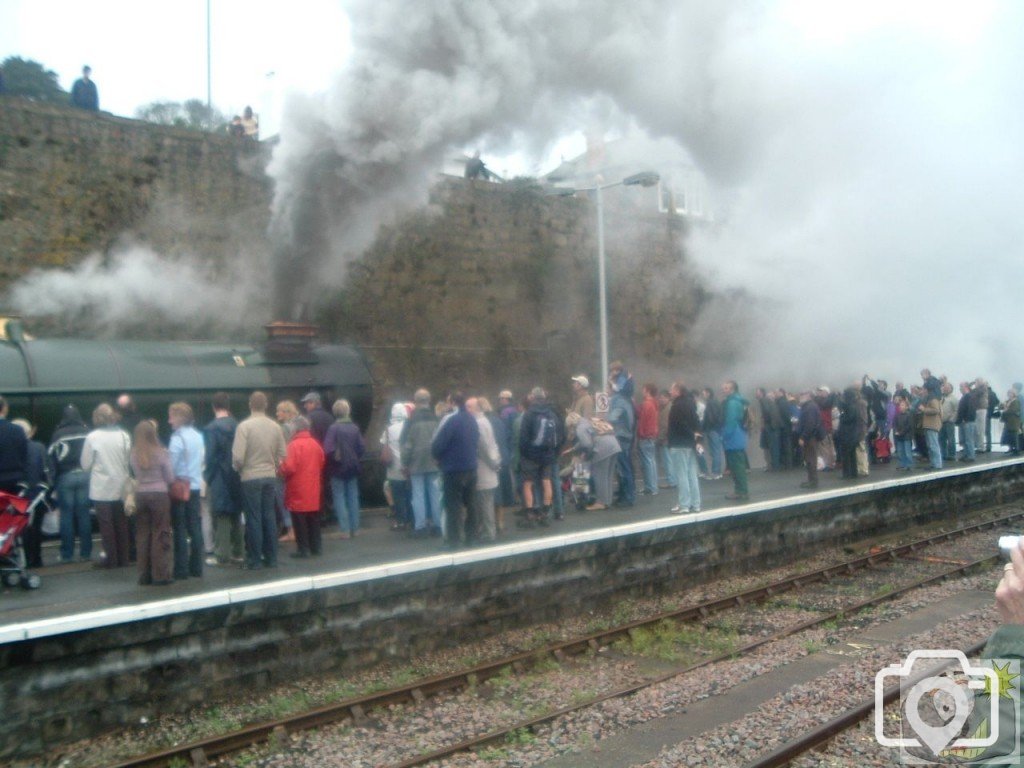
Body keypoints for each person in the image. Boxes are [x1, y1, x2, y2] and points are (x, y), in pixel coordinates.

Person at [233, 391, 287, 570]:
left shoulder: (244, 427)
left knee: (254, 518)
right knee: (269, 516)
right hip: (270, 476)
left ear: (250, 404)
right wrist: (273, 467)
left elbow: (238, 457)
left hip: (250, 477)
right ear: (266, 405)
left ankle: (255, 560)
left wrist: (240, 469)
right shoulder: (275, 426)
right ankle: (272, 558)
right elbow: (283, 454)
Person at [81, 403, 131, 568]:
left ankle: (111, 559)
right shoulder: (124, 435)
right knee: (121, 523)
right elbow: (128, 460)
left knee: (106, 524)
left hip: (101, 488)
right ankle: (124, 558)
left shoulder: (93, 437)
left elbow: (85, 464)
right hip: (121, 486)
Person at [129, 420, 174, 586]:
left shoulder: (133, 453)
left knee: (143, 535)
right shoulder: (160, 452)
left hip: (141, 495)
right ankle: (160, 575)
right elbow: (170, 477)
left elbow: (135, 475)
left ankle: (144, 575)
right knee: (160, 534)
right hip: (159, 495)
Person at [432, 391, 479, 547]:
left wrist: (437, 457)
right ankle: (471, 538)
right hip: (471, 467)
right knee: (471, 504)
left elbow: (438, 444)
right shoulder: (472, 419)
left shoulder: (452, 420)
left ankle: (454, 540)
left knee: (452, 505)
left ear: (452, 403)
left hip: (453, 468)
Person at [204, 392, 244, 566]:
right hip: (237, 474)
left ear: (214, 407)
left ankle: (222, 554)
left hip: (220, 476)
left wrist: (208, 476)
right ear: (228, 406)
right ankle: (239, 552)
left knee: (221, 514)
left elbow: (211, 457)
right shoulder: (239, 426)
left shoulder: (211, 428)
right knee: (236, 512)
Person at [48, 404, 92, 563]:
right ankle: (86, 553)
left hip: (65, 477)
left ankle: (67, 554)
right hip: (85, 475)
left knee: (66, 516)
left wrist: (52, 482)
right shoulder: (87, 432)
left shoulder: (57, 434)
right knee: (84, 514)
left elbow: (51, 459)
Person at [278, 415, 326, 557]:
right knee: (313, 520)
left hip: (297, 488)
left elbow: (289, 467)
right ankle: (316, 547)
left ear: (295, 429)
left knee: (299, 521)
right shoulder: (315, 444)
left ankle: (303, 549)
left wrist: (280, 468)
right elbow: (321, 462)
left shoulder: (293, 445)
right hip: (313, 487)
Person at [168, 402, 205, 580]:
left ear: (179, 418)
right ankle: (197, 567)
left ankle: (181, 569)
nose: (169, 420)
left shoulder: (177, 438)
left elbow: (171, 466)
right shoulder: (198, 436)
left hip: (180, 488)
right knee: (195, 527)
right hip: (196, 486)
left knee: (180, 529)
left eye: (171, 416)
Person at [517, 387, 562, 526]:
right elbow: (560, 435)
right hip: (548, 455)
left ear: (533, 398)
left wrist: (525, 453)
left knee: (528, 483)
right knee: (546, 481)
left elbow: (523, 438)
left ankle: (530, 515)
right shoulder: (551, 413)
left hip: (531, 456)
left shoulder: (529, 414)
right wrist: (554, 452)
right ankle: (545, 514)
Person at [323, 399, 365, 538]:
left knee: (339, 497)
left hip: (337, 467)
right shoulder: (354, 427)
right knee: (353, 496)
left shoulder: (333, 428)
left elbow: (328, 449)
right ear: (348, 411)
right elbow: (361, 448)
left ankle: (345, 529)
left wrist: (334, 459)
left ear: (335, 412)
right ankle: (356, 528)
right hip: (353, 466)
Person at [566, 411, 621, 510]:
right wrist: (574, 448)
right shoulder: (587, 421)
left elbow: (587, 444)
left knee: (600, 476)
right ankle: (607, 500)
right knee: (608, 475)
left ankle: (601, 502)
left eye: (569, 427)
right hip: (614, 445)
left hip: (602, 448)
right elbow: (587, 438)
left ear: (571, 424)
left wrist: (586, 455)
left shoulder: (579, 428)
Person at [12, 419, 47, 568]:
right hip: (38, 494)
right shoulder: (39, 447)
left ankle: (25, 559)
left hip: (20, 495)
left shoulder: (13, 450)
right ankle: (37, 559)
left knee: (21, 528)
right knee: (36, 528)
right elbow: (47, 470)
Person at [467, 397, 500, 542]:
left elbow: (483, 447)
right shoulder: (485, 420)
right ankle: (487, 531)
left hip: (484, 468)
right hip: (491, 466)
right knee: (486, 502)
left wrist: (492, 463)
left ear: (476, 408)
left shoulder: (478, 423)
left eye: (469, 407)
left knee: (484, 503)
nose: (466, 410)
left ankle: (488, 533)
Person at [666, 381, 701, 514]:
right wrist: (697, 437)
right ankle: (696, 504)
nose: (670, 391)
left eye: (672, 389)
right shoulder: (691, 403)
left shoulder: (676, 406)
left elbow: (679, 425)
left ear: (678, 391)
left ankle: (684, 505)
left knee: (681, 475)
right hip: (690, 445)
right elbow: (696, 421)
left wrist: (690, 435)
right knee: (692, 474)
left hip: (679, 443)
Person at [380, 403, 411, 531]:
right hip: (408, 467)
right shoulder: (409, 427)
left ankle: (401, 521)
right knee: (410, 494)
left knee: (398, 496)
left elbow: (382, 443)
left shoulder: (389, 429)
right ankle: (412, 519)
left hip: (394, 468)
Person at [721, 380, 749, 501]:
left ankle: (741, 491)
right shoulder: (739, 401)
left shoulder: (732, 403)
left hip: (733, 437)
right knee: (738, 464)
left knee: (736, 466)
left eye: (726, 388)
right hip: (739, 435)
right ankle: (740, 490)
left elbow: (731, 421)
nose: (724, 390)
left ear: (732, 389)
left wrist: (724, 436)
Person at [795, 391, 823, 489]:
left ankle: (813, 481)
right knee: (809, 458)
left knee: (811, 459)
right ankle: (811, 480)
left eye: (802, 394)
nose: (800, 396)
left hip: (810, 437)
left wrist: (803, 437)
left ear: (808, 396)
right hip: (810, 436)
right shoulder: (809, 406)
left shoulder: (810, 407)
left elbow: (810, 424)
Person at [0, 395, 28, 494]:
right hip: (15, 479)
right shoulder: (17, 430)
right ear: (5, 409)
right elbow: (24, 454)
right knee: (15, 508)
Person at [636, 382, 660, 496]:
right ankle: (652, 486)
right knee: (651, 462)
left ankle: (650, 488)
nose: (642, 391)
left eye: (643, 389)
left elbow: (643, 420)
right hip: (651, 436)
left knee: (647, 462)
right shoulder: (654, 404)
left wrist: (641, 433)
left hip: (645, 436)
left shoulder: (647, 404)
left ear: (647, 390)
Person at [699, 387, 725, 480]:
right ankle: (717, 471)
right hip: (716, 429)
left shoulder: (710, 403)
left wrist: (705, 427)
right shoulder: (716, 402)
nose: (703, 395)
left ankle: (716, 472)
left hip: (712, 429)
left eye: (704, 393)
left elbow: (710, 417)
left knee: (715, 451)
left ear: (708, 393)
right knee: (716, 450)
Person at [656, 389, 678, 489]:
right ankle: (673, 480)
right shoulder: (668, 408)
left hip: (666, 439)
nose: (660, 400)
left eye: (662, 398)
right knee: (670, 461)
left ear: (668, 398)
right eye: (660, 398)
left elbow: (665, 426)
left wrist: (660, 438)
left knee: (668, 461)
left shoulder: (666, 410)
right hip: (671, 438)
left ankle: (672, 481)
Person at [917, 390, 943, 470]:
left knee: (933, 445)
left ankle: (937, 464)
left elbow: (936, 410)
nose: (922, 391)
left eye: (923, 389)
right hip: (928, 425)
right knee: (930, 446)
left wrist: (924, 409)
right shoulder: (929, 399)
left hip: (932, 425)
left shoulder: (933, 400)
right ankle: (933, 463)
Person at [956, 382, 977, 462]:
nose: (960, 389)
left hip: (968, 421)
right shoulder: (964, 397)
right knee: (964, 440)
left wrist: (966, 419)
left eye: (961, 387)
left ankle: (971, 456)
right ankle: (966, 454)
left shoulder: (969, 396)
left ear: (966, 387)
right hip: (964, 421)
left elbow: (971, 409)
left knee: (969, 439)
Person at [892, 397, 914, 471]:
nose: (901, 407)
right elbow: (894, 424)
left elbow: (909, 426)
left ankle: (909, 465)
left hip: (906, 436)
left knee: (907, 451)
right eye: (900, 405)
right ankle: (902, 464)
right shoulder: (897, 415)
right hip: (899, 436)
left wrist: (901, 432)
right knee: (900, 451)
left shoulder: (909, 415)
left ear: (907, 407)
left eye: (903, 405)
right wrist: (896, 431)